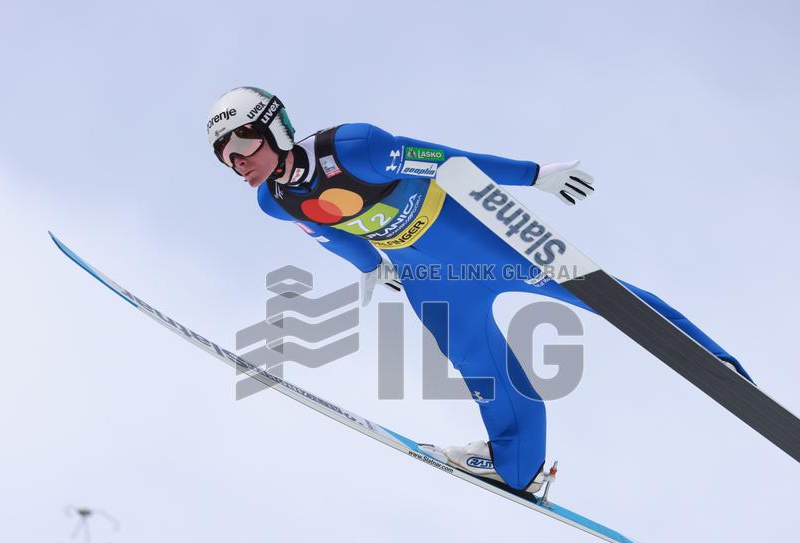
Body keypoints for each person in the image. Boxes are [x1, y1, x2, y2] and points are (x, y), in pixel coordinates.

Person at [208, 86, 751, 497]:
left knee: (596, 294)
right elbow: (328, 233)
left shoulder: (353, 148)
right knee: (478, 364)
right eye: (225, 157)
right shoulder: (273, 200)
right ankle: (519, 468)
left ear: (274, 129)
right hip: (424, 274)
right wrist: (373, 267)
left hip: (473, 243)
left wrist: (532, 174)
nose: (237, 163)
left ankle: (711, 357)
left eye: (243, 145)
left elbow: (447, 162)